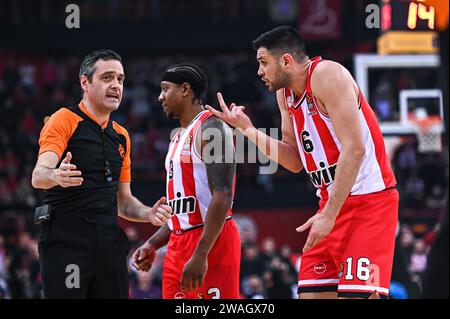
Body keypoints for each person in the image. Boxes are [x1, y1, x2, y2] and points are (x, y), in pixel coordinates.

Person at [206, 26, 399, 299]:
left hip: (369, 205)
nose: (259, 71)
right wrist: (248, 130)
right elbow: (295, 161)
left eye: (263, 62)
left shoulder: (328, 75)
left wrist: (328, 216)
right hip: (328, 207)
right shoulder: (284, 95)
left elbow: (355, 150)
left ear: (286, 60)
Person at [31, 49, 172, 299]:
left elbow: (124, 201)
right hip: (66, 241)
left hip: (108, 241)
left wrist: (147, 213)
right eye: (107, 78)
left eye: (120, 79)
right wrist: (56, 176)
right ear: (85, 82)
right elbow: (38, 175)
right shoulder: (63, 119)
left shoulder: (121, 135)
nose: (116, 85)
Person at [131, 63, 241, 299]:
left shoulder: (212, 128)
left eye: (164, 89)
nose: (160, 97)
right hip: (178, 244)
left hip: (210, 242)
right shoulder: (177, 137)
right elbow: (180, 213)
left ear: (185, 89)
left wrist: (201, 254)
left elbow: (223, 195)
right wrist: (152, 244)